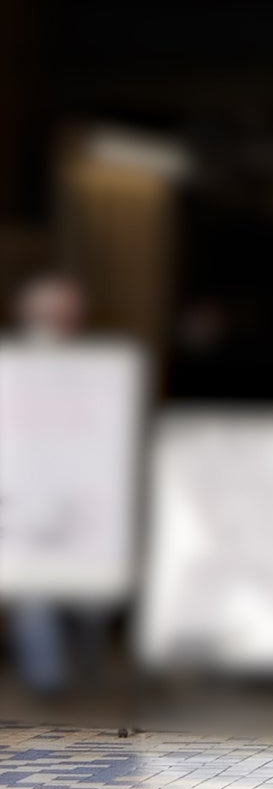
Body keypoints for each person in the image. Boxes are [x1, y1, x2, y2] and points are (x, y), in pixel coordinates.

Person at [3, 274, 102, 700]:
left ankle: (78, 670)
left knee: (91, 593)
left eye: (67, 315)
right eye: (50, 315)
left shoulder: (99, 371)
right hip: (22, 495)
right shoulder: (13, 366)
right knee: (34, 589)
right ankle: (48, 678)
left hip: (82, 496)